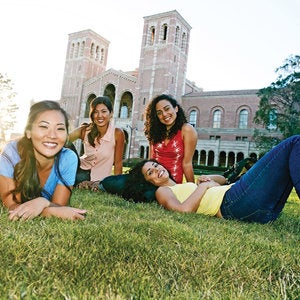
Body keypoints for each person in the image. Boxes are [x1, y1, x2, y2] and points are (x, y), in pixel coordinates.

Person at [124, 135, 300, 224]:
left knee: (289, 157)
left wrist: (207, 180)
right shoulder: (162, 191)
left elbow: (223, 179)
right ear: (148, 182)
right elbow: (183, 210)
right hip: (232, 204)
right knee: (293, 143)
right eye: (150, 173)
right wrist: (204, 187)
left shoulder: (183, 185)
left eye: (155, 166)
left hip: (261, 210)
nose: (156, 170)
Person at [0, 100, 87, 221]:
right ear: (29, 132)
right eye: (43, 126)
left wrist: (42, 203)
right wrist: (48, 209)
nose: (52, 135)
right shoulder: (12, 153)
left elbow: (59, 205)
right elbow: (13, 207)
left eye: (60, 128)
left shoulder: (68, 158)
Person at [69, 96, 125, 188]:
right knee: (63, 143)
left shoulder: (117, 133)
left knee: (76, 179)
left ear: (110, 114)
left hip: (96, 178)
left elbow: (118, 163)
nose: (99, 115)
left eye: (104, 111)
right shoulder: (85, 130)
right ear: (92, 114)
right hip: (78, 169)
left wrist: (117, 185)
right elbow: (62, 140)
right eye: (96, 112)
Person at [144, 94, 197, 184]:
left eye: (167, 108)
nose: (164, 114)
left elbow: (187, 164)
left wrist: (192, 188)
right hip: (154, 181)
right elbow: (151, 159)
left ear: (176, 109)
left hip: (172, 183)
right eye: (159, 113)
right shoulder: (154, 131)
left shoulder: (187, 130)